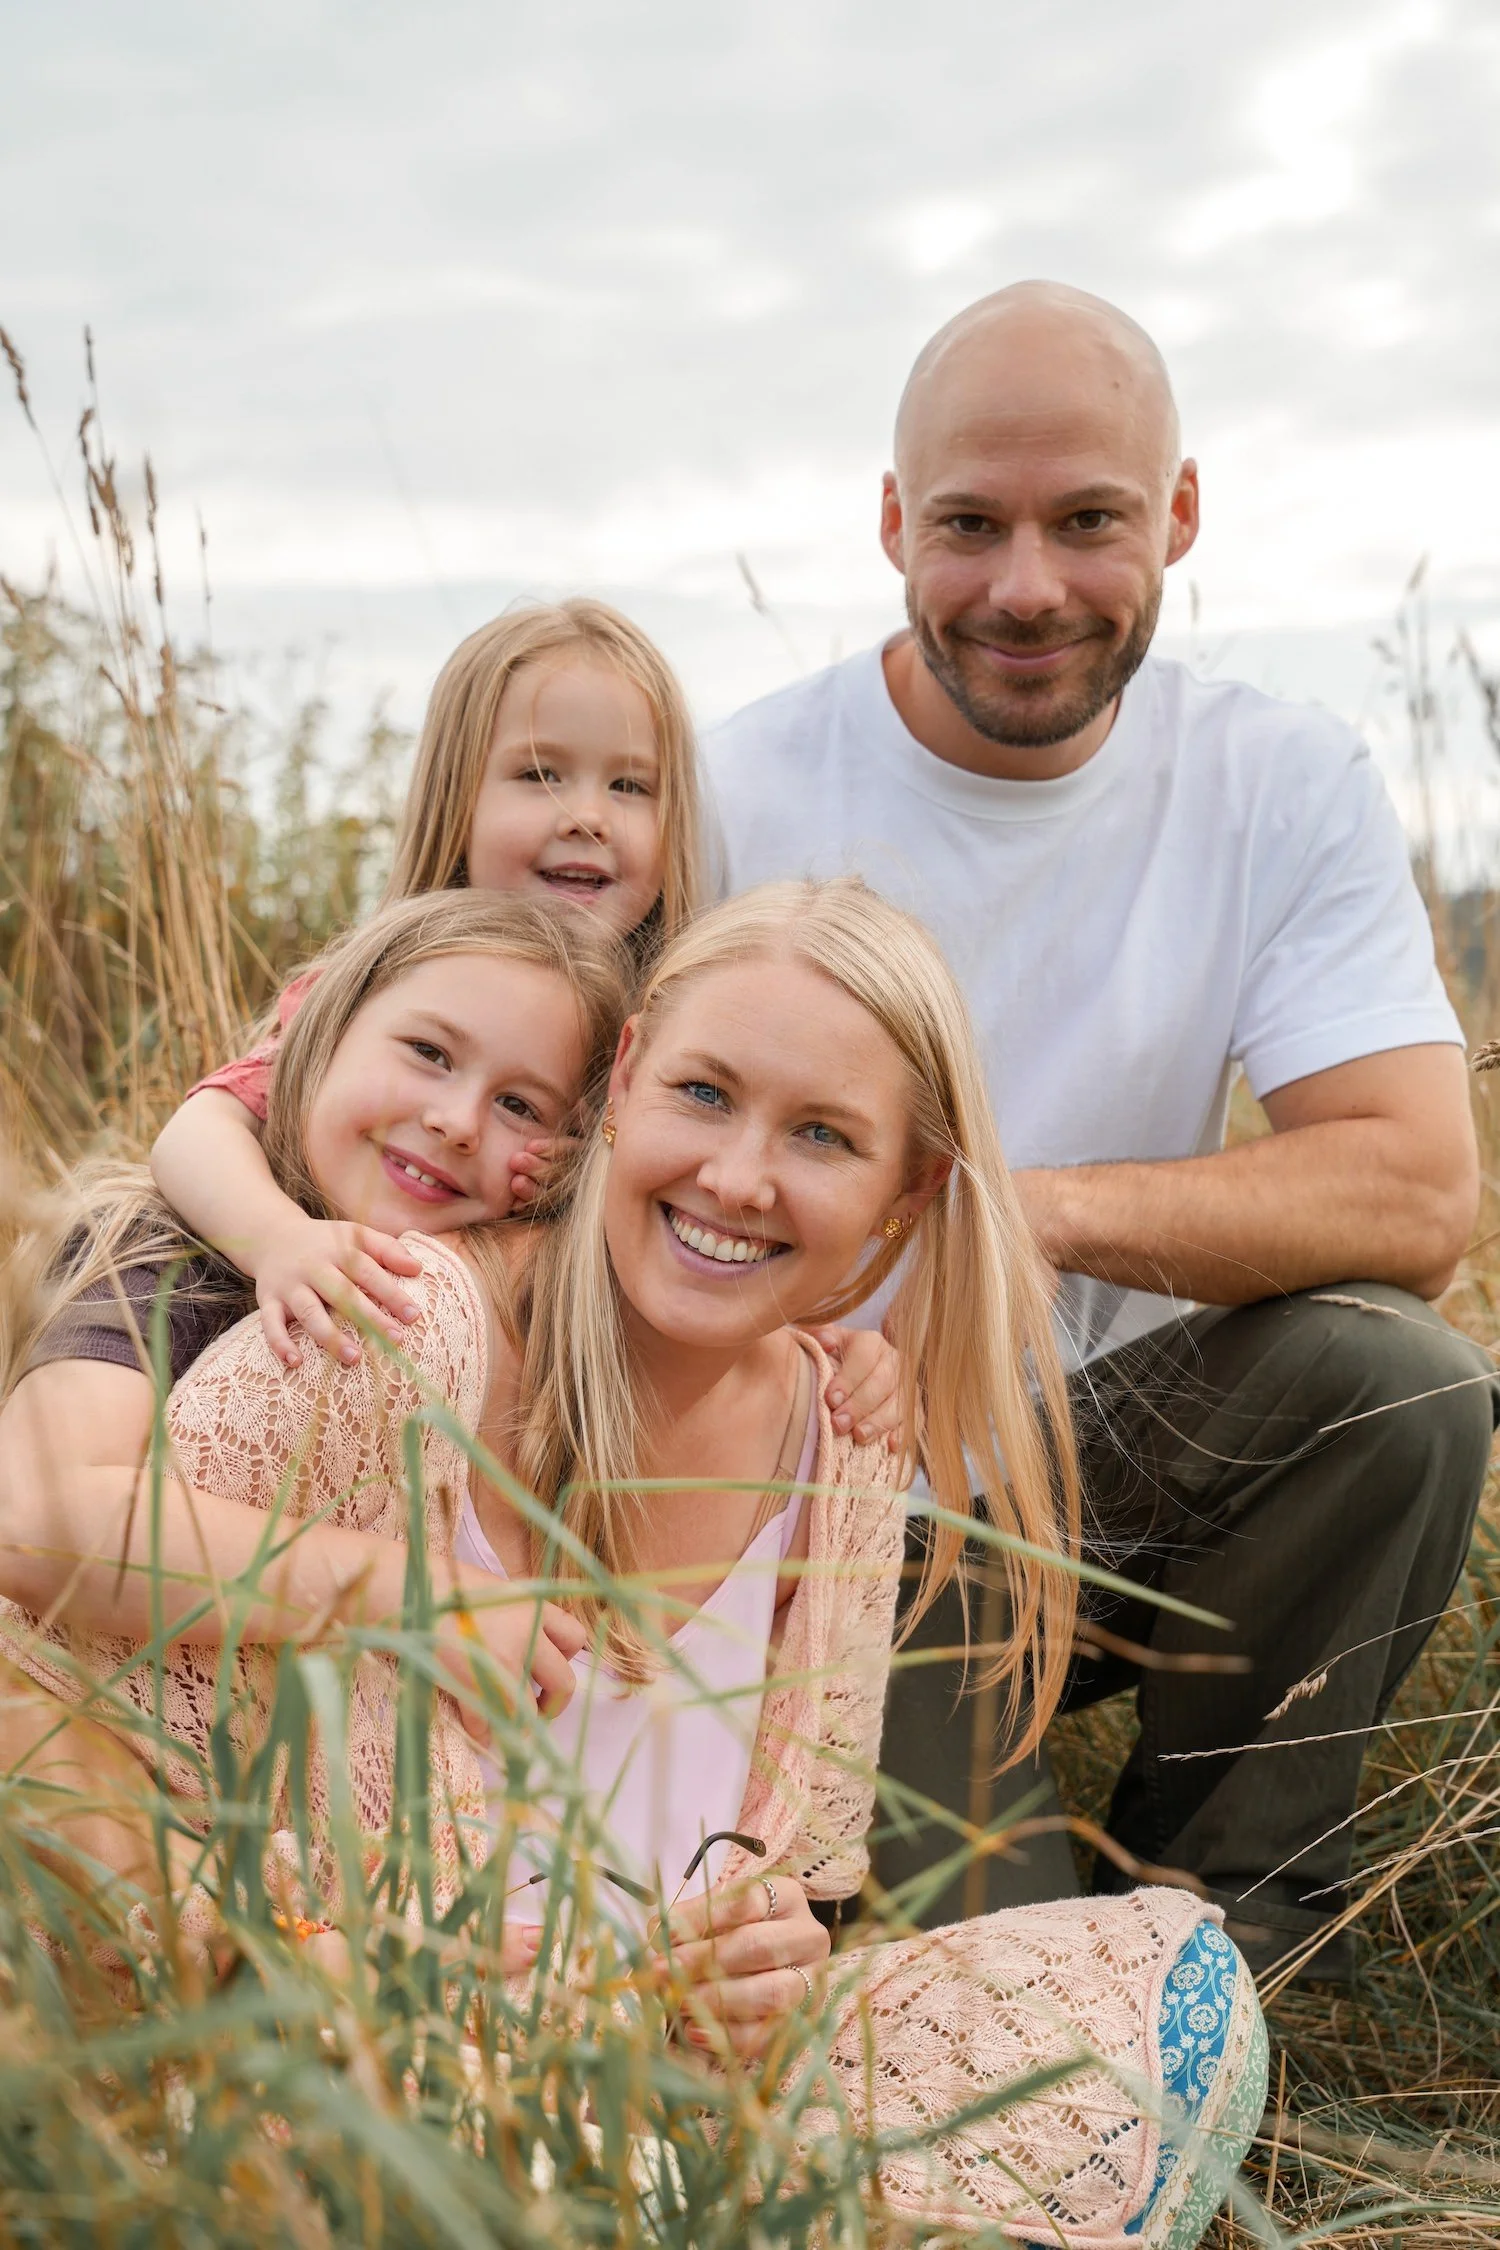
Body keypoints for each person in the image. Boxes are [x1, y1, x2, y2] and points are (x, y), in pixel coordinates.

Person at [0, 877, 1267, 2245]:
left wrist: (763, 1970)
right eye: (706, 1093)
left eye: (824, 1135)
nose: (736, 1176)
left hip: (660, 2096)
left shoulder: (840, 1447)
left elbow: (801, 1903)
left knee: (1170, 2007)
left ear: (907, 1197)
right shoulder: (397, 1326)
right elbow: (84, 1699)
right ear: (626, 1076)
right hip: (345, 2063)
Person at [704, 280, 1496, 1980]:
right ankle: (1046, 1955)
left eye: (1090, 523)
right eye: (972, 527)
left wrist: (1018, 1213)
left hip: (1113, 1470)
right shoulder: (733, 795)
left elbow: (1422, 1184)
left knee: (1403, 1384)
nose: (1027, 588)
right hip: (810, 1516)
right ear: (895, 523)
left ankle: (1231, 1942)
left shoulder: (1279, 782)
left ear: (1182, 517)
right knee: (994, 2003)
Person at [144, 598, 898, 1440]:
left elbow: (710, 1240)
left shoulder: (674, 1037)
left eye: (630, 786)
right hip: (308, 1369)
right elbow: (199, 1127)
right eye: (540, 776)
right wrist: (279, 1239)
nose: (587, 816)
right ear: (455, 797)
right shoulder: (380, 990)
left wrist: (815, 1346)